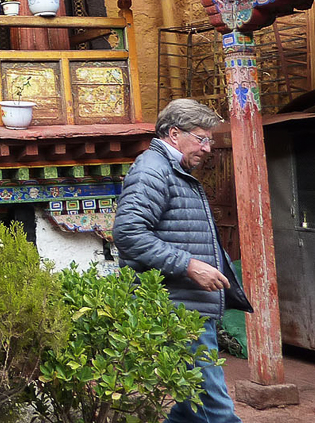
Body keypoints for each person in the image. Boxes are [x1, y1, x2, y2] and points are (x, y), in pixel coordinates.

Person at [113, 98, 252, 423]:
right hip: (177, 309)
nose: (207, 148)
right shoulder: (153, 170)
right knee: (216, 409)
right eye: (201, 138)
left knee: (190, 409)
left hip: (188, 306)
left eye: (210, 140)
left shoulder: (174, 171)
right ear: (174, 134)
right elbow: (128, 233)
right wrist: (189, 265)